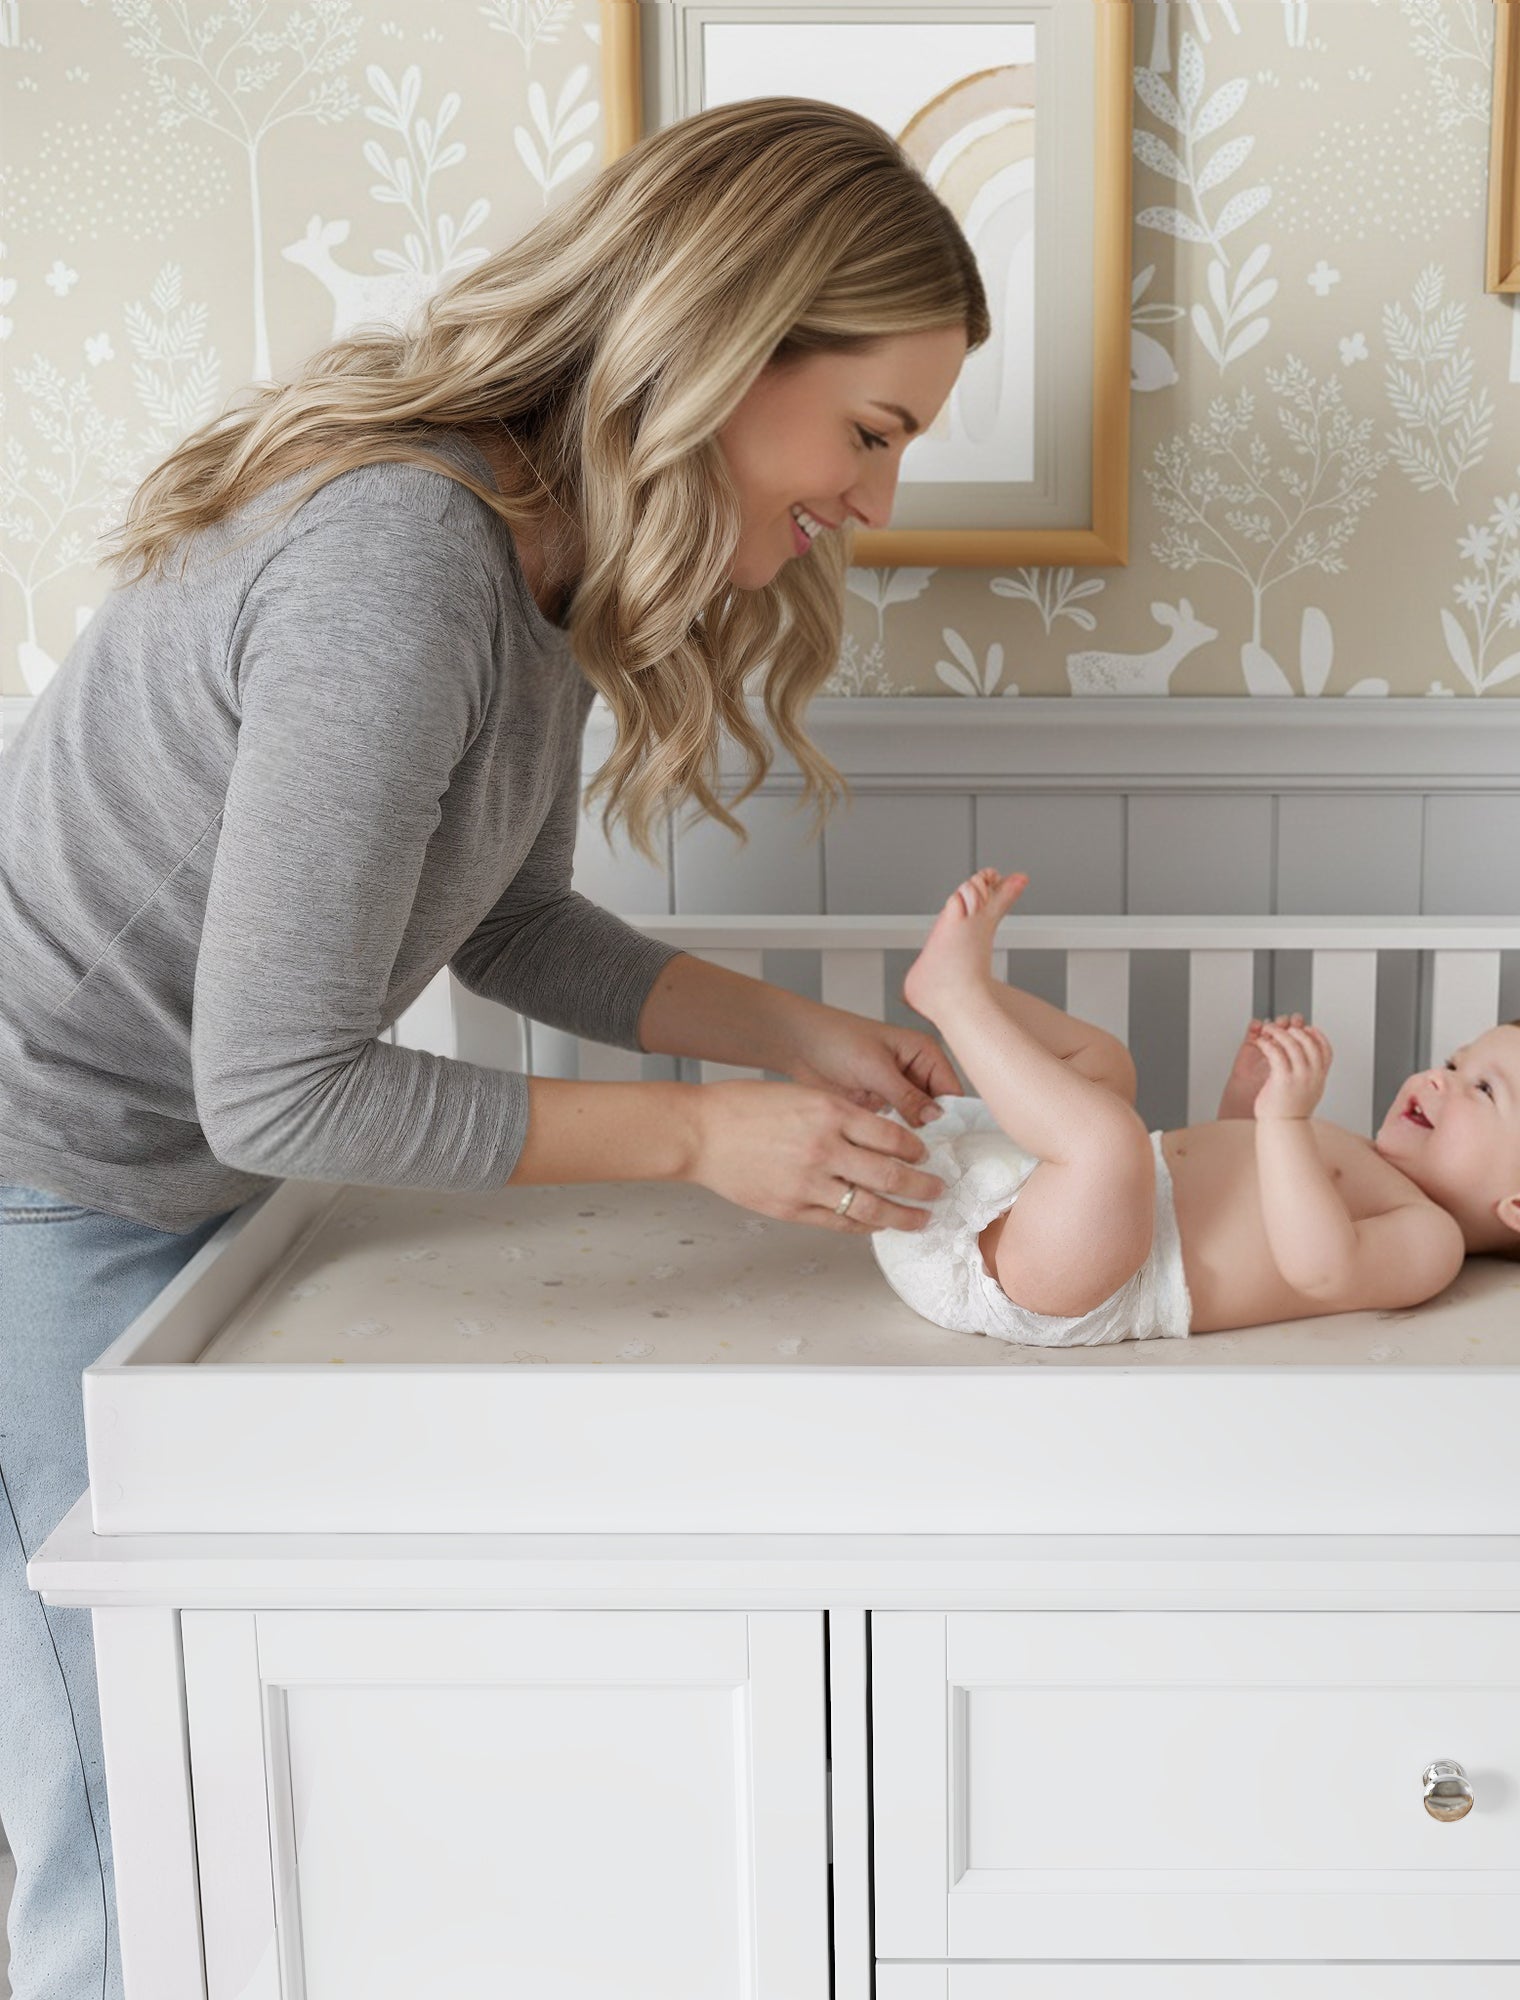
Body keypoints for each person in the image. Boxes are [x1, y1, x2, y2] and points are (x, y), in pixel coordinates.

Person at [0, 97, 986, 2000]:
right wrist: (708, 1146)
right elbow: (280, 1084)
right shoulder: (400, 563)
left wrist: (785, 1033)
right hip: (34, 1188)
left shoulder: (525, 572)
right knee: (129, 1812)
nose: (875, 502)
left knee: (232, 1780)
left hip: (154, 1190)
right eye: (871, 432)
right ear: (727, 339)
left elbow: (505, 921)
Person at [874, 870, 1520, 1347]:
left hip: (1083, 1285)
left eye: (1482, 1089)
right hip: (1050, 1216)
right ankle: (967, 992)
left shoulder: (1430, 1241)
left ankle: (956, 999)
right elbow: (1236, 1180)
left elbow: (1317, 1266)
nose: (1439, 1079)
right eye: (1453, 1062)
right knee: (1108, 1070)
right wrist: (1249, 1100)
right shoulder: (1361, 1165)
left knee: (1109, 1140)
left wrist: (1285, 1123)